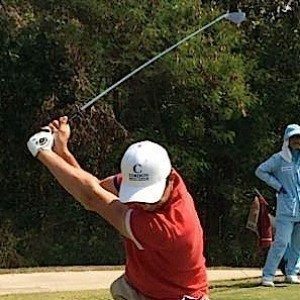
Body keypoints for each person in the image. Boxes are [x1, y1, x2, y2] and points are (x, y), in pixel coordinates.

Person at [27, 116, 209, 300]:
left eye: (150, 196)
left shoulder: (168, 227)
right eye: (138, 195)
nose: (144, 204)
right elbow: (94, 188)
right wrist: (62, 151)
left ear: (169, 178)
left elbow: (91, 198)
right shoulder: (156, 175)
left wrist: (42, 150)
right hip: (142, 288)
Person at [255, 123, 300, 287]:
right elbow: (260, 171)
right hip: (286, 209)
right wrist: (278, 186)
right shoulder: (279, 159)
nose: (297, 141)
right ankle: (268, 275)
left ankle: (292, 272)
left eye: (299, 137)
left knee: (297, 244)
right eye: (294, 137)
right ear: (287, 139)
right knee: (281, 242)